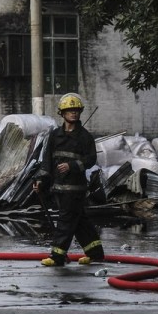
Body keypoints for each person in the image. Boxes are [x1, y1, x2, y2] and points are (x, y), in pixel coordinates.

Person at [33, 93, 104, 267]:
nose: (73, 113)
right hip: (59, 188)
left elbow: (91, 159)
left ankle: (57, 256)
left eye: (76, 110)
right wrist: (40, 179)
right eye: (69, 110)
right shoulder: (55, 136)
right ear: (62, 114)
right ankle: (95, 253)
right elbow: (47, 161)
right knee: (80, 222)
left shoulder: (85, 137)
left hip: (75, 189)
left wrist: (72, 166)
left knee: (65, 221)